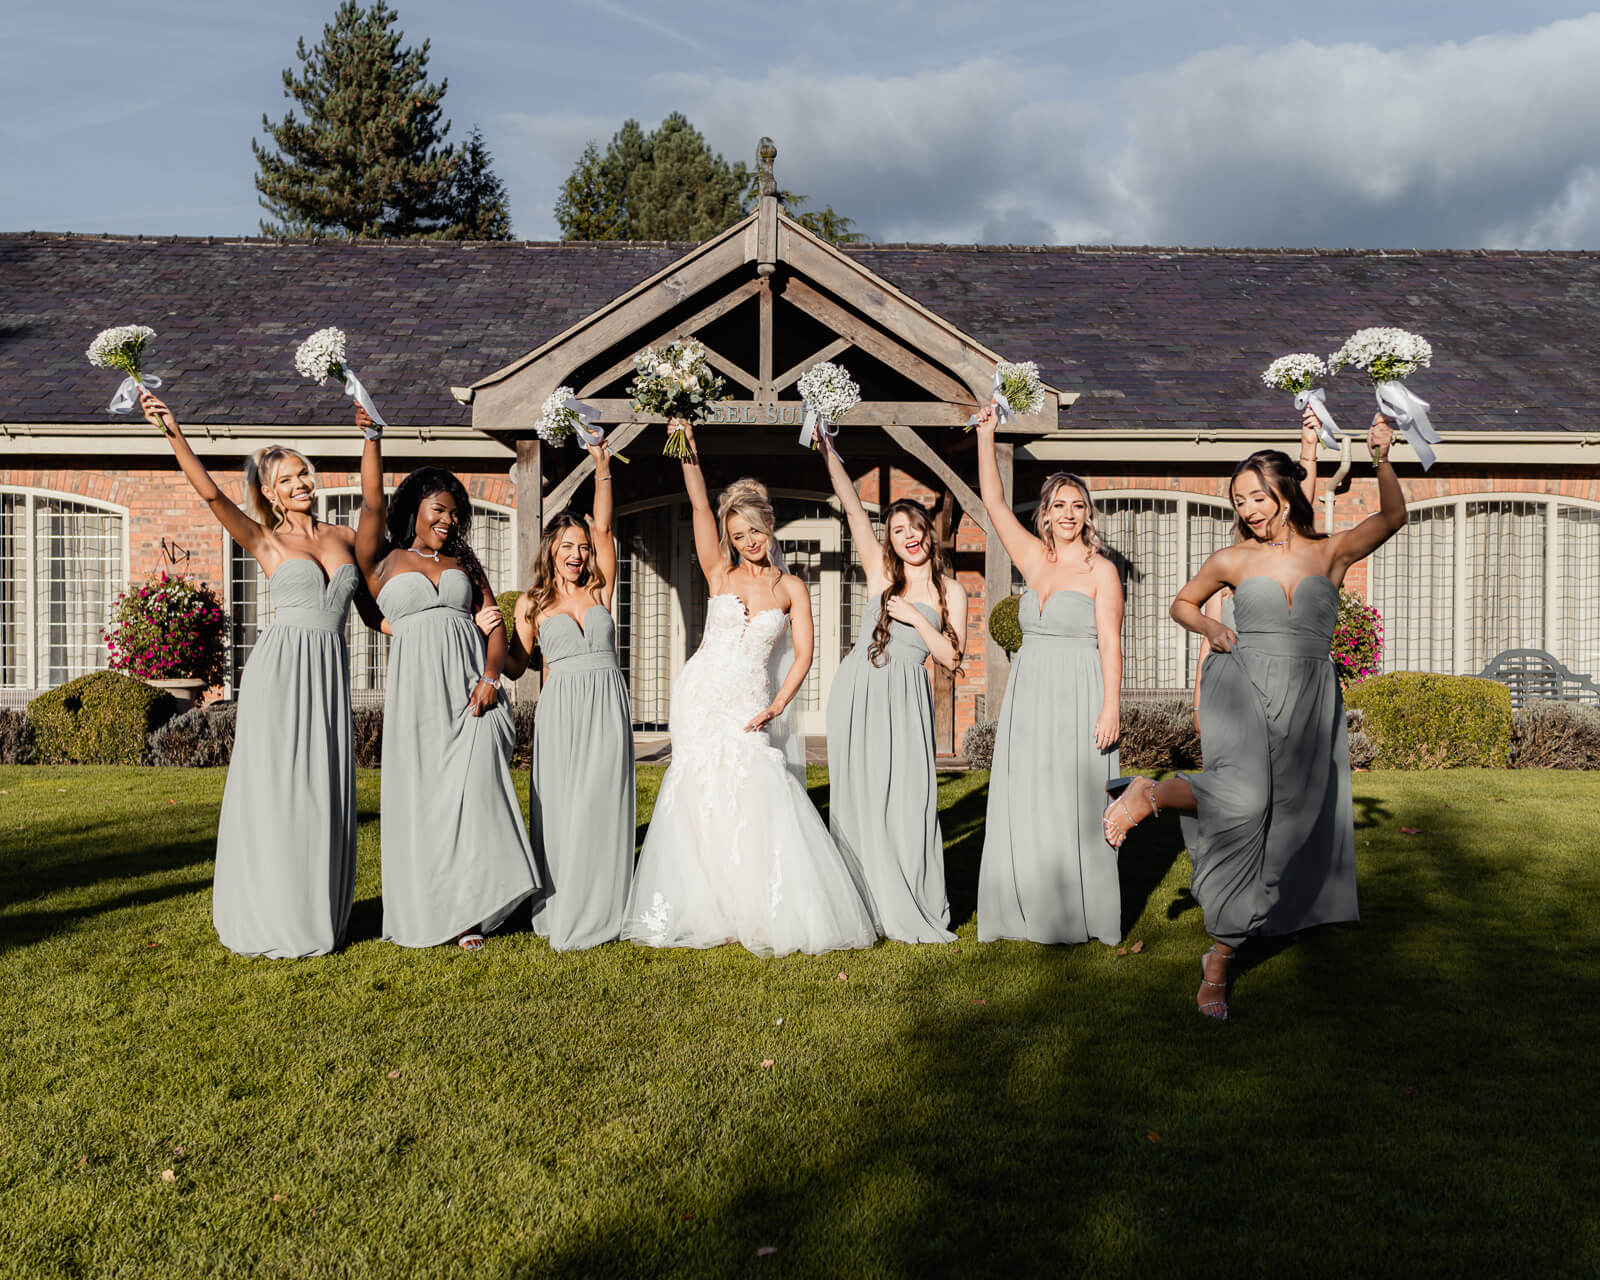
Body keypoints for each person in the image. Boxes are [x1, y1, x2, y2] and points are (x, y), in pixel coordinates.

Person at [1103, 413, 1407, 1018]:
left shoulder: (1331, 553)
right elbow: (1181, 604)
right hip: (1243, 680)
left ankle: (1223, 949)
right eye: (1240, 501)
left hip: (1311, 697)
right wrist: (1213, 625)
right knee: (1242, 801)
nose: (1249, 510)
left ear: (1285, 493)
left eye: (1258, 498)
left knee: (1287, 832)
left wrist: (1380, 458)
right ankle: (1152, 798)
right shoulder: (1232, 558)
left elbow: (1393, 517)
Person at [621, 419, 876, 957]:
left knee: (756, 790)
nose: (747, 542)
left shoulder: (791, 589)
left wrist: (777, 706)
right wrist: (686, 450)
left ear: (770, 524)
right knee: (699, 794)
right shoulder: (719, 573)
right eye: (737, 536)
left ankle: (756, 904)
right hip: (702, 693)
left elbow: (805, 654)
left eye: (754, 532)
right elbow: (696, 508)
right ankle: (708, 905)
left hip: (750, 702)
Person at [140, 391, 381, 958]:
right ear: (270, 493)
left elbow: (376, 613)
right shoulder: (265, 539)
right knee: (279, 789)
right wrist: (173, 431)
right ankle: (270, 908)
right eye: (288, 479)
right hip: (280, 673)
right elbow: (209, 494)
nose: (301, 483)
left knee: (322, 789)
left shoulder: (344, 539)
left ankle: (314, 910)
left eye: (304, 474)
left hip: (328, 675)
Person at [353, 406, 539, 950]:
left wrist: (488, 677)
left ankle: (475, 906)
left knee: (478, 790)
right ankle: (438, 909)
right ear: (414, 508)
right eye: (440, 510)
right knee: (427, 804)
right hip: (418, 700)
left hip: (471, 692)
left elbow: (495, 626)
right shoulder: (381, 561)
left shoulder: (466, 563)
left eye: (456, 514)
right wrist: (372, 439)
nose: (450, 521)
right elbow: (368, 504)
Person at [973, 405, 1125, 945]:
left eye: (1076, 505)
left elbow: (1110, 639)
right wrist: (987, 434)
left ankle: (1082, 912)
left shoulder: (1100, 570)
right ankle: (1023, 906)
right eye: (1059, 504)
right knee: (1029, 793)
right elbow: (992, 502)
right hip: (1030, 694)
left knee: (1078, 796)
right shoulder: (1034, 560)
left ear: (1088, 514)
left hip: (1080, 692)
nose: (1067, 512)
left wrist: (1111, 705)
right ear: (1046, 513)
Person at [819, 438, 965, 942]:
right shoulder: (881, 573)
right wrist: (828, 450)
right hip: (859, 690)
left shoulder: (953, 592)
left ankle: (911, 899)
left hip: (906, 697)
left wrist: (916, 622)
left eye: (915, 528)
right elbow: (854, 510)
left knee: (908, 799)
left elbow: (951, 657)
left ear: (929, 532)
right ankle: (860, 902)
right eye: (898, 530)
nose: (909, 537)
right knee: (859, 796)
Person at [499, 442, 635, 950]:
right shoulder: (532, 604)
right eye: (568, 546)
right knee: (561, 807)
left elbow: (603, 528)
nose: (578, 555)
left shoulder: (601, 590)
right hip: (560, 712)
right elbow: (517, 666)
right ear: (552, 550)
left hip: (607, 704)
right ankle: (562, 902)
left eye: (582, 546)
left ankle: (606, 903)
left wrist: (602, 469)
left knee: (603, 801)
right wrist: (489, 637)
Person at [1194, 405, 1325, 725]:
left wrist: (1309, 446)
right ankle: (1148, 781)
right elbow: (1207, 643)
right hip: (1232, 694)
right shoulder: (1227, 572)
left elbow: (1298, 502)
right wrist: (1198, 703)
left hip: (1282, 692)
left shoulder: (1288, 560)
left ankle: (1148, 782)